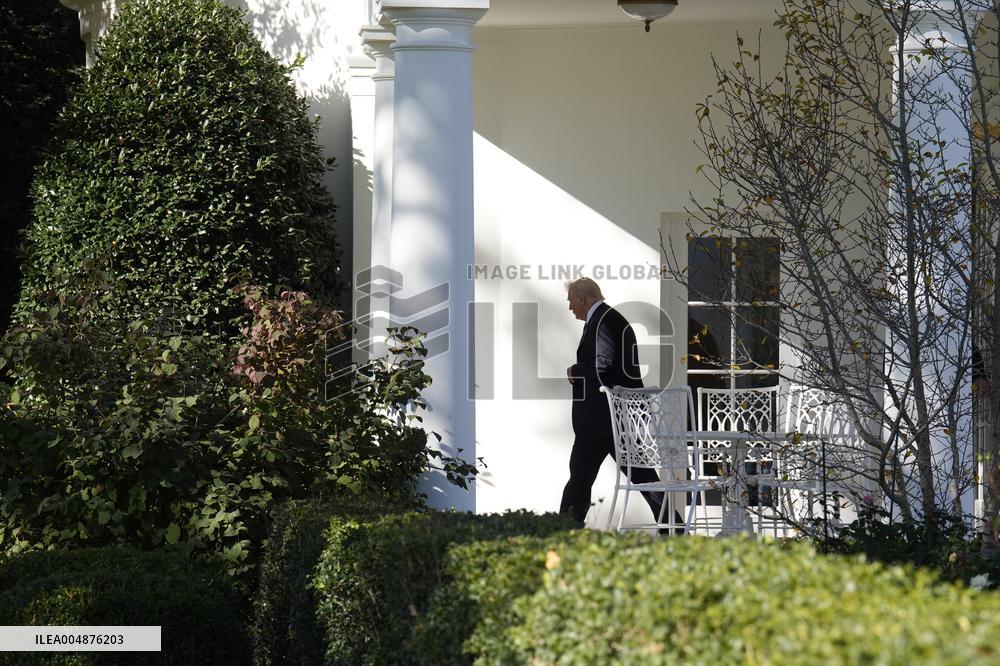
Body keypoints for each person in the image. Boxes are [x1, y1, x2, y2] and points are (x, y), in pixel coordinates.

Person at [559, 277, 674, 528]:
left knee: (580, 478)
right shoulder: (606, 319)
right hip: (610, 418)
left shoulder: (604, 321)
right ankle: (673, 526)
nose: (569, 308)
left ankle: (563, 532)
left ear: (582, 298)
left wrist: (574, 371)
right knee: (637, 476)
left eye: (570, 301)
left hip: (602, 419)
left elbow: (604, 363)